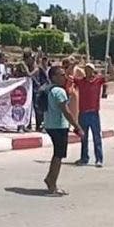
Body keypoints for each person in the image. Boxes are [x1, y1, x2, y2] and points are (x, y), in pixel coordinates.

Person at [41, 65, 83, 196]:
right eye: (62, 75)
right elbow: (66, 111)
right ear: (54, 77)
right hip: (59, 126)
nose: (65, 77)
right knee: (59, 156)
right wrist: (77, 126)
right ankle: (52, 185)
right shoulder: (59, 91)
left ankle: (50, 179)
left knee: (57, 154)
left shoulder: (49, 89)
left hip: (50, 124)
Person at [74, 63, 114, 167]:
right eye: (86, 69)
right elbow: (68, 76)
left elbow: (113, 75)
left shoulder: (98, 80)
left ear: (93, 70)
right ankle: (84, 158)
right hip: (83, 113)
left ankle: (99, 159)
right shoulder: (81, 81)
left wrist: (109, 63)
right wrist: (73, 64)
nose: (87, 71)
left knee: (96, 137)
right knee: (83, 137)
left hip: (94, 113)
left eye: (89, 69)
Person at [32, 55, 50, 131]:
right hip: (39, 90)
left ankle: (42, 124)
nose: (44, 62)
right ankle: (39, 125)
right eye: (43, 60)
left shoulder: (47, 69)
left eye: (45, 60)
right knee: (39, 108)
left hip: (45, 90)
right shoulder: (39, 68)